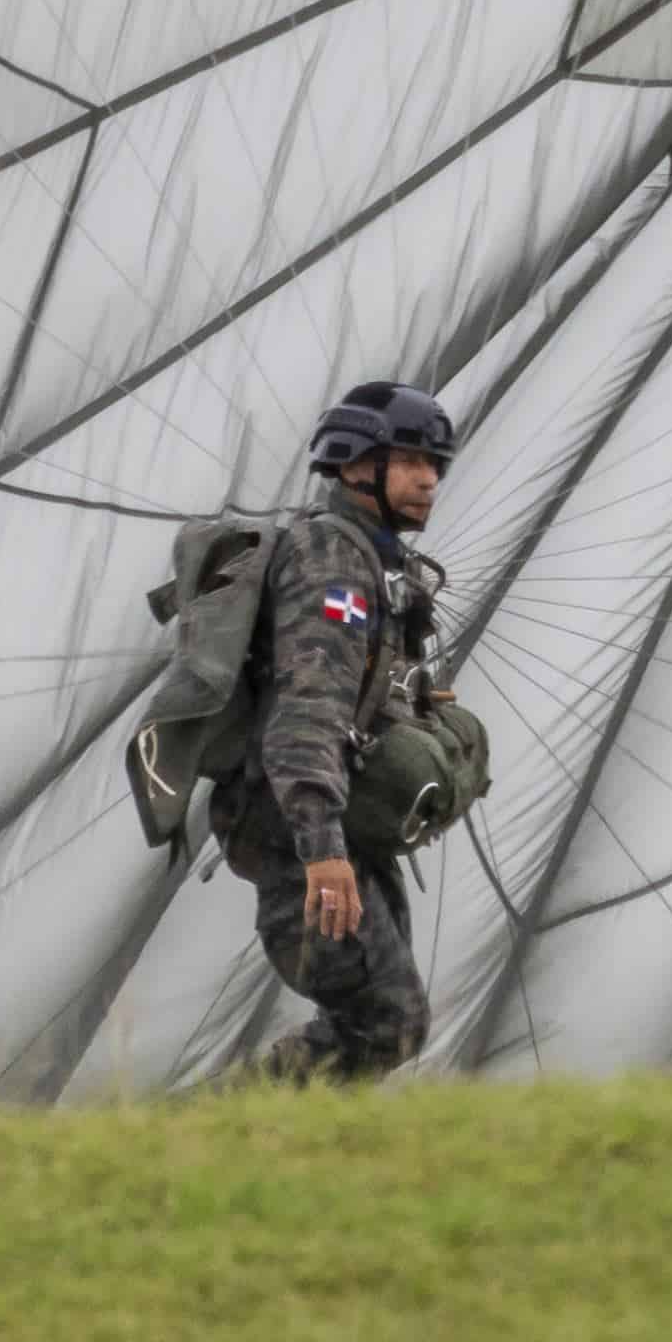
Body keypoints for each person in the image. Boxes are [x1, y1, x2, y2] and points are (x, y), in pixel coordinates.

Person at [213, 377, 458, 1083]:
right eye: (411, 459)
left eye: (435, 464)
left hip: (336, 828)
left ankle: (263, 1150)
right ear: (355, 464)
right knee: (387, 1019)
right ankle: (203, 1133)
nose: (428, 479)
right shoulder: (333, 563)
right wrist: (320, 848)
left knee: (383, 1023)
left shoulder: (372, 562)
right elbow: (305, 712)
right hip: (298, 831)